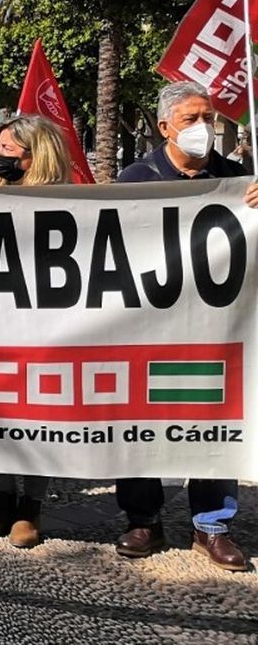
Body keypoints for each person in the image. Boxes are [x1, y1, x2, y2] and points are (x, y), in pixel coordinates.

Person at [114, 81, 258, 571]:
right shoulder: (134, 180)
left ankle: (212, 524)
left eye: (207, 118)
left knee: (213, 418)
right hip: (147, 326)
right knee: (138, 418)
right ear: (164, 127)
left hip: (214, 327)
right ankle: (142, 519)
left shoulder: (240, 180)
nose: (203, 129)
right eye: (190, 120)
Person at [0, 114, 78, 548]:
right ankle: (1, 499)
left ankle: (31, 505)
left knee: (37, 412)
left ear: (36, 154)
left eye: (8, 150)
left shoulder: (71, 200)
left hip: (47, 325)